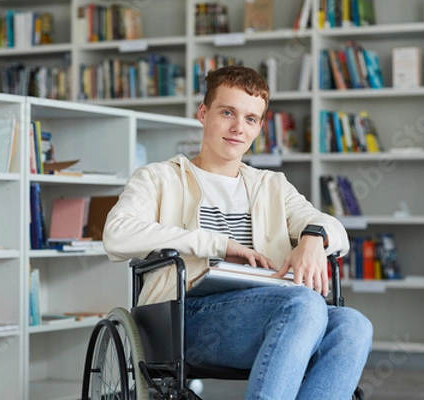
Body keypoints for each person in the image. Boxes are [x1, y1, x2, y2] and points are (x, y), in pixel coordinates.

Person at [103, 65, 372, 399]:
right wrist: (217, 245)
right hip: (184, 317)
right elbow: (117, 234)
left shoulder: (271, 185)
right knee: (304, 303)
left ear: (259, 126)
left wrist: (314, 238)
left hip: (270, 313)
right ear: (203, 113)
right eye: (227, 112)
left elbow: (334, 229)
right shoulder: (159, 178)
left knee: (353, 325)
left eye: (250, 119)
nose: (237, 128)